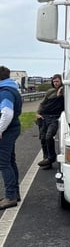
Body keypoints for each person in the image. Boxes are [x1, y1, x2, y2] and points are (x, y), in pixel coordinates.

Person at [0, 66, 22, 210]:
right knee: (10, 161)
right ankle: (14, 193)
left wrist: (0, 129)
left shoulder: (5, 92)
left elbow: (7, 113)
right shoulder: (12, 88)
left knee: (3, 163)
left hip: (7, 130)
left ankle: (10, 197)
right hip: (13, 128)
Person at [36, 73, 64, 170]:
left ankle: (51, 157)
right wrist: (38, 113)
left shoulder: (65, 91)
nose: (56, 83)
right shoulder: (50, 92)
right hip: (43, 117)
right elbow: (42, 103)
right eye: (54, 81)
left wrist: (60, 94)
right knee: (43, 139)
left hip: (54, 118)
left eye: (57, 81)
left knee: (49, 137)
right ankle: (46, 160)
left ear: (61, 81)